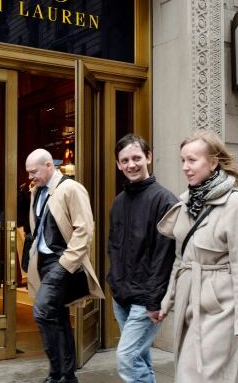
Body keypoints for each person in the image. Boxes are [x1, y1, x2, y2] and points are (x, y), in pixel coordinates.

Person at [156, 130, 238, 383]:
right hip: (188, 299)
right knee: (189, 372)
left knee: (197, 376)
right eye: (183, 160)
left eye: (192, 160)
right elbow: (181, 258)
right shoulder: (188, 203)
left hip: (219, 304)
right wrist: (168, 298)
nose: (185, 167)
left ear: (213, 163)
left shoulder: (235, 203)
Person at [25, 149, 104, 383]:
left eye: (34, 171)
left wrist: (67, 263)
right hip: (43, 263)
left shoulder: (71, 188)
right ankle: (64, 375)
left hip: (61, 262)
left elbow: (85, 229)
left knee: (41, 311)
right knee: (56, 316)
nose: (31, 176)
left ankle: (59, 373)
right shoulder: (36, 191)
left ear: (49, 165)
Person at [107, 134, 177, 383]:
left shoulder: (165, 200)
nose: (131, 165)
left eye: (136, 158)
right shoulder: (118, 202)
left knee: (126, 358)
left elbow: (165, 257)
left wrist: (154, 300)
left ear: (148, 157)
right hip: (121, 297)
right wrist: (113, 283)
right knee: (139, 357)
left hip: (147, 300)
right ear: (118, 164)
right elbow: (113, 247)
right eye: (124, 160)